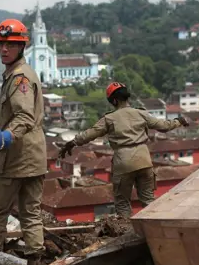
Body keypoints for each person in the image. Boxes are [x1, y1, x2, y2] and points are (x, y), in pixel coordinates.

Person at [0, 19, 47, 265]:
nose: (4, 49)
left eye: (11, 44)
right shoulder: (20, 73)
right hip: (34, 157)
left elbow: (23, 115)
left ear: (22, 46)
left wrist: (6, 136)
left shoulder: (20, 77)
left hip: (16, 159)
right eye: (1, 44)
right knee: (31, 215)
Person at [59, 82, 188, 217]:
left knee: (122, 202)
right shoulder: (141, 113)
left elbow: (90, 133)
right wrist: (179, 121)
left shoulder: (109, 118)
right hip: (144, 161)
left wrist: (73, 142)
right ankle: (154, 231)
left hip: (123, 162)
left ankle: (127, 232)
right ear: (127, 97)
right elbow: (164, 126)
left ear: (114, 100)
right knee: (149, 201)